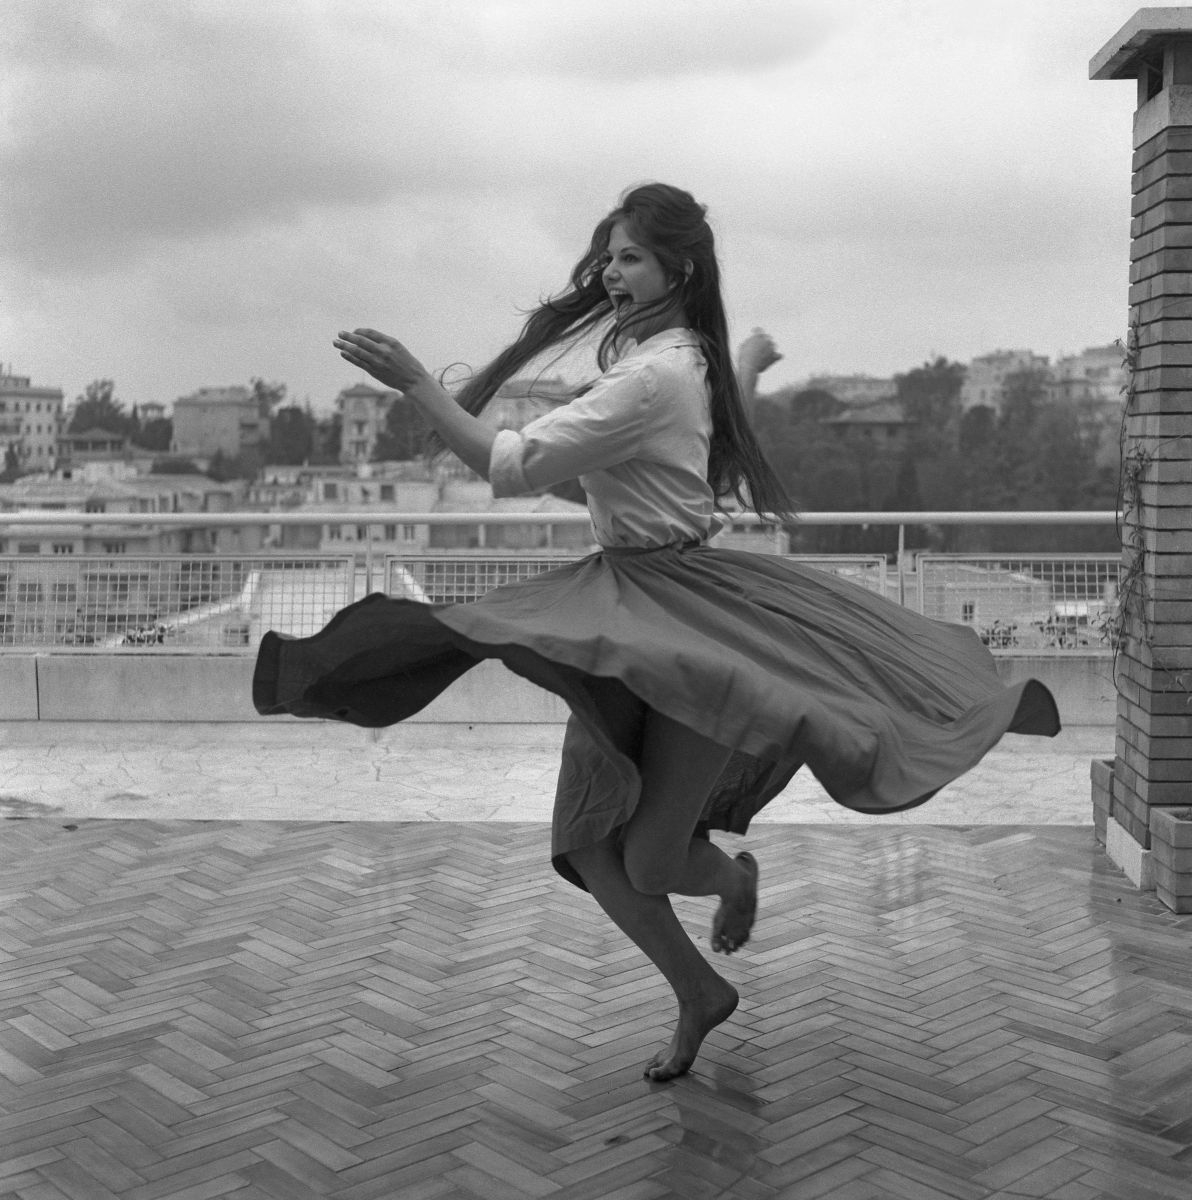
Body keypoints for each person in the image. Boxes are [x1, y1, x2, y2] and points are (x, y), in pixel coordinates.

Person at [254, 183, 1060, 1082]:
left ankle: (730, 890)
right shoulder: (682, 364)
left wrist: (414, 384)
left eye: (629, 256)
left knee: (642, 855)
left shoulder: (653, 375)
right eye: (607, 255)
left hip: (682, 625)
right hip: (636, 614)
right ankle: (700, 993)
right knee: (590, 844)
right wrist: (744, 364)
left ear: (676, 268)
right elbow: (623, 470)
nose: (609, 271)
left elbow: (512, 468)